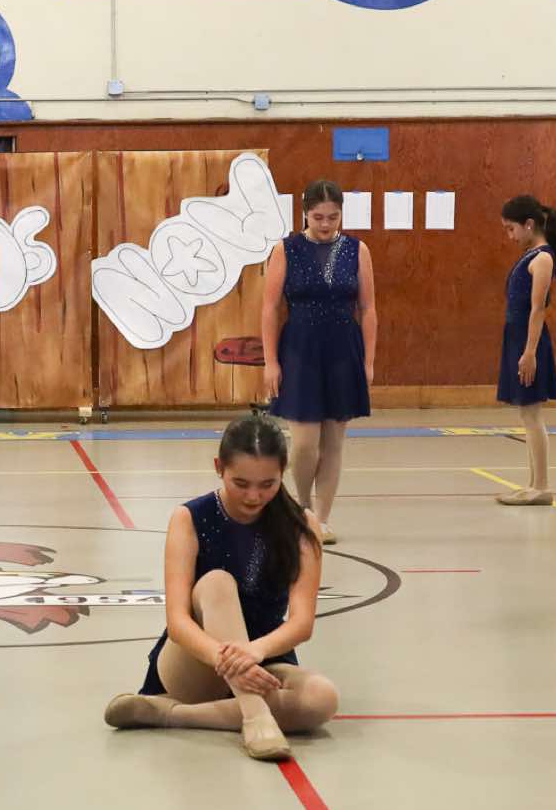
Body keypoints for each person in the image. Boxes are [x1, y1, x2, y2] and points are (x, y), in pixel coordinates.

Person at [103, 414, 340, 760]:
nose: (254, 496)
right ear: (219, 467)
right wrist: (228, 660)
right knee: (216, 582)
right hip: (197, 662)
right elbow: (178, 622)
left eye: (268, 484)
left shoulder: (301, 526)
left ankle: (170, 714)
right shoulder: (189, 517)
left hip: (262, 656)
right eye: (240, 483)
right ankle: (256, 716)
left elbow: (302, 623)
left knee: (322, 698)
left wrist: (253, 652)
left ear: (283, 471)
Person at [259, 180, 375, 544]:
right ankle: (303, 507)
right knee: (305, 443)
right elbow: (269, 308)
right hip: (300, 349)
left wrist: (368, 361)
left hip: (343, 349)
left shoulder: (357, 249)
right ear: (305, 214)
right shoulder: (286, 249)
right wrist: (270, 361)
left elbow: (369, 308)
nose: (326, 224)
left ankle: (322, 518)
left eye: (333, 217)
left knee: (334, 441)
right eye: (318, 217)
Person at [496, 194, 556, 505]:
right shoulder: (530, 256)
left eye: (511, 229)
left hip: (530, 341)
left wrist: (529, 353)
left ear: (529, 225)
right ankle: (532, 483)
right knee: (526, 414)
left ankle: (541, 486)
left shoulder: (542, 259)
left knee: (532, 414)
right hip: (517, 337)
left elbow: (537, 309)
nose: (509, 236)